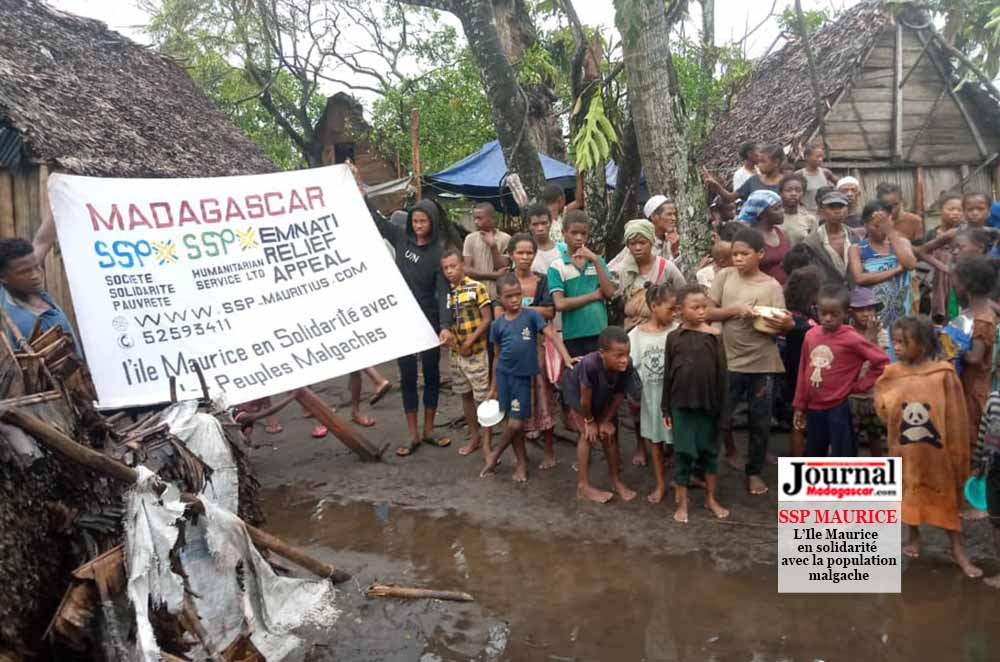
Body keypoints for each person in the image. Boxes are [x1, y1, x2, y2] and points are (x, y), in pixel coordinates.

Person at [874, 315, 982, 578]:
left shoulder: (942, 375)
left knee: (945, 499)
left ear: (921, 345)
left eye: (902, 342)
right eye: (895, 341)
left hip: (938, 454)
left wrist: (958, 453)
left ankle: (957, 550)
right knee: (909, 494)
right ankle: (914, 537)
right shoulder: (892, 374)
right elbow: (882, 405)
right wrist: (887, 407)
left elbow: (956, 417)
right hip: (906, 452)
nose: (895, 347)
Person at [708, 228, 793, 495]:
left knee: (760, 419)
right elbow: (707, 310)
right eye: (735, 254)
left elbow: (783, 324)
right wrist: (734, 311)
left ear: (760, 254)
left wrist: (785, 323)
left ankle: (754, 471)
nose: (739, 259)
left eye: (744, 254)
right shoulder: (724, 277)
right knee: (720, 415)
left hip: (763, 363)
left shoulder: (770, 286)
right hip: (729, 360)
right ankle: (708, 468)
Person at [373, 199, 452, 456]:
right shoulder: (400, 237)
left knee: (432, 375)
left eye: (423, 221)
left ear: (432, 223)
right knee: (407, 376)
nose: (418, 225)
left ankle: (429, 430)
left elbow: (443, 291)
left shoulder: (438, 252)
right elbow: (377, 221)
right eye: (415, 221)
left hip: (428, 320)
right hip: (402, 320)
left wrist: (445, 325)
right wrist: (359, 192)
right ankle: (413, 435)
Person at [481, 274, 575, 482]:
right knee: (512, 423)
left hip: (523, 379)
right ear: (500, 298)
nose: (514, 300)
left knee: (516, 424)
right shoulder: (497, 325)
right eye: (509, 296)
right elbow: (496, 358)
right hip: (504, 377)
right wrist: (493, 387)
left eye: (517, 295)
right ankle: (521, 462)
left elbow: (551, 336)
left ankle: (495, 454)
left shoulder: (531, 317)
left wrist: (567, 358)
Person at [792, 285, 889, 457]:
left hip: (839, 407)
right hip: (814, 407)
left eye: (834, 314)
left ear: (846, 313)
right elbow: (803, 370)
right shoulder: (811, 335)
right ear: (817, 310)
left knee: (843, 454)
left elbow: (881, 362)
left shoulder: (851, 338)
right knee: (814, 452)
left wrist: (860, 385)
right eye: (824, 313)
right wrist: (800, 406)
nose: (828, 318)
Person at [662, 284, 730, 523]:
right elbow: (668, 374)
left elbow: (723, 376)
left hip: (709, 405)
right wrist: (665, 407)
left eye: (704, 307)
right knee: (683, 453)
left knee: (710, 453)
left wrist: (724, 412)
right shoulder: (673, 338)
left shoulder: (715, 337)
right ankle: (682, 502)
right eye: (696, 307)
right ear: (680, 310)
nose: (702, 311)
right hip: (681, 406)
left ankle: (710, 498)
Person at [560, 326, 639, 503]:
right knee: (587, 435)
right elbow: (585, 401)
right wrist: (590, 421)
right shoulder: (590, 364)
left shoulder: (627, 365)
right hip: (579, 397)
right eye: (618, 355)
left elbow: (619, 395)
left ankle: (615, 481)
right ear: (602, 353)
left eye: (627, 354)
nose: (624, 360)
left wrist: (605, 421)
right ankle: (582, 487)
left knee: (608, 433)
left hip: (603, 396)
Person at [504, 233, 559, 469]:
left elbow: (550, 312)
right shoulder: (505, 281)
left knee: (543, 398)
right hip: (512, 353)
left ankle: (548, 451)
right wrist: (532, 311)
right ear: (511, 255)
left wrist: (518, 310)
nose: (525, 257)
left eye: (529, 253)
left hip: (537, 350)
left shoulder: (543, 280)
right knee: (516, 404)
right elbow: (499, 315)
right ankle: (521, 458)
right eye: (520, 252)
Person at [440, 249, 494, 458]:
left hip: (477, 352)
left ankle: (488, 443)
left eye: (453, 266)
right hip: (456, 355)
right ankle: (475, 437)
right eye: (446, 268)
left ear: (462, 265)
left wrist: (469, 342)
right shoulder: (447, 293)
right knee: (465, 395)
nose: (450, 271)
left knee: (483, 399)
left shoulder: (476, 288)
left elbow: (487, 319)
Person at [628, 284, 678, 503]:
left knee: (678, 441)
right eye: (671, 308)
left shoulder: (677, 331)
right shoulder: (636, 336)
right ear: (654, 306)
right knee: (655, 442)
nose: (675, 312)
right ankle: (660, 483)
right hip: (651, 398)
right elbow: (628, 366)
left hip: (675, 398)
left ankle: (680, 480)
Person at [849, 201, 918, 360]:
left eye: (885, 224)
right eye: (875, 226)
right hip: (874, 317)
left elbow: (910, 263)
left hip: (901, 314)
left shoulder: (901, 242)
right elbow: (860, 278)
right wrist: (896, 270)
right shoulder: (858, 249)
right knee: (878, 357)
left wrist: (891, 232)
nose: (881, 230)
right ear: (865, 225)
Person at [548, 210, 616, 358]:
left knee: (599, 375)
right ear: (564, 233)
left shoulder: (597, 261)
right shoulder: (557, 266)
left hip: (599, 331)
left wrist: (596, 260)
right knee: (579, 376)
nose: (579, 237)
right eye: (574, 233)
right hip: (573, 334)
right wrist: (593, 296)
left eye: (583, 233)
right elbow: (559, 304)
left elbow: (609, 292)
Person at [953, 257, 998, 469]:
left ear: (967, 284)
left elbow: (975, 357)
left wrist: (952, 348)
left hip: (974, 388)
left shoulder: (983, 319)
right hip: (966, 383)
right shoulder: (971, 313)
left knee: (971, 431)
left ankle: (972, 480)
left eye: (956, 280)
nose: (954, 284)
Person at [0, 238, 79, 351]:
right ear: (3, 277)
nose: (35, 275)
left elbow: (43, 241)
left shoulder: (23, 287)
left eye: (36, 267)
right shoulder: (26, 324)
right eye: (24, 272)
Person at [612, 219, 686, 332]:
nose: (637, 248)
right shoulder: (623, 270)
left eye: (642, 243)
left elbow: (683, 295)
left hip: (663, 330)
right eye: (633, 244)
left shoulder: (666, 267)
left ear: (651, 242)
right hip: (632, 332)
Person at [781, 265, 822, 456]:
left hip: (799, 374)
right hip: (801, 376)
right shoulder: (799, 322)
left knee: (799, 420)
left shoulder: (798, 315)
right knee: (799, 420)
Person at [847, 287, 890, 456]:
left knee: (875, 435)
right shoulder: (846, 332)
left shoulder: (881, 332)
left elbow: (879, 359)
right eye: (861, 310)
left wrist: (872, 336)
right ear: (851, 313)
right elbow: (853, 359)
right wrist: (869, 337)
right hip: (851, 394)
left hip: (873, 393)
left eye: (870, 309)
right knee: (850, 436)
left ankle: (877, 469)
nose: (866, 314)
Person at [914, 193, 964, 323]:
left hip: (960, 285)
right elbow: (922, 261)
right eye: (951, 209)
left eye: (960, 210)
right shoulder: (931, 236)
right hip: (934, 287)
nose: (956, 213)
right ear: (940, 210)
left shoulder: (966, 234)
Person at [971, 389, 1000, 587]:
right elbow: (983, 432)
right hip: (994, 469)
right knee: (997, 523)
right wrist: (979, 464)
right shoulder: (993, 399)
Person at [801, 190, 856, 287]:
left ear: (847, 210)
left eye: (841, 206)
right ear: (821, 211)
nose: (837, 211)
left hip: (856, 294)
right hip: (827, 295)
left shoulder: (854, 236)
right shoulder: (811, 242)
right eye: (831, 207)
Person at [704, 143, 784, 204]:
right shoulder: (753, 180)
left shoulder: (786, 182)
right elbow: (730, 198)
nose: (759, 165)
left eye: (763, 162)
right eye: (759, 161)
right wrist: (717, 186)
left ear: (776, 162)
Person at [739, 190, 790, 285]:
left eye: (781, 207)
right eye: (777, 208)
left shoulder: (782, 233)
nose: (783, 211)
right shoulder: (749, 238)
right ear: (761, 213)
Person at [463, 203, 510, 300]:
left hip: (497, 296)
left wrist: (493, 246)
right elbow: (467, 270)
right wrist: (494, 275)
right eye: (475, 218)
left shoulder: (505, 239)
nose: (476, 222)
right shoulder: (470, 239)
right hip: (476, 294)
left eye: (480, 218)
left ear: (492, 219)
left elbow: (502, 269)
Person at [778, 174, 818, 246]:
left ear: (803, 193)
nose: (793, 194)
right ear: (780, 193)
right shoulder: (774, 218)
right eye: (788, 190)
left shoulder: (810, 219)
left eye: (798, 190)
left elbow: (814, 245)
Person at [795, 142, 837, 210]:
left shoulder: (826, 172)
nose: (820, 159)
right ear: (806, 157)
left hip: (824, 213)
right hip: (806, 213)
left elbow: (841, 185)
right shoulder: (799, 174)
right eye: (817, 156)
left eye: (822, 156)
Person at [525, 204, 563, 274]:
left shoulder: (564, 249)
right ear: (529, 226)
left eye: (544, 223)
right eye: (535, 224)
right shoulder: (523, 252)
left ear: (551, 222)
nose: (540, 228)